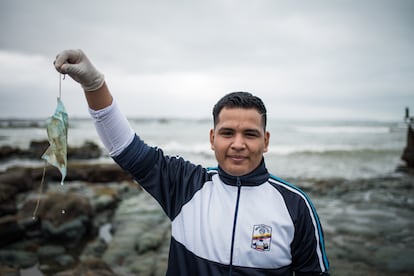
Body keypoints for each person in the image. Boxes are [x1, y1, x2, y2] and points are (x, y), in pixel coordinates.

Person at [54, 49, 330, 276]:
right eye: (227, 133)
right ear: (212, 138)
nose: (237, 144)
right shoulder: (185, 185)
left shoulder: (295, 206)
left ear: (266, 141)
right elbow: (125, 148)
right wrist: (94, 84)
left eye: (250, 134)